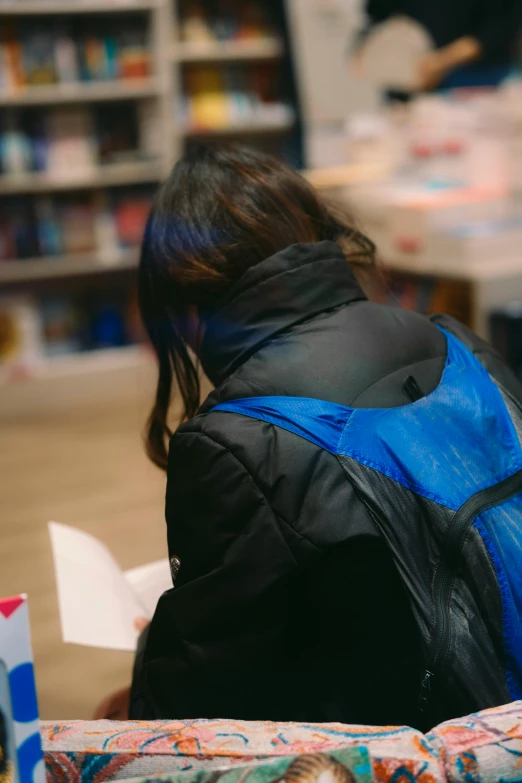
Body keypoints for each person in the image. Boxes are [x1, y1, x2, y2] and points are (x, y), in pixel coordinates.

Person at [122, 145, 522, 729]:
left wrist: (147, 654)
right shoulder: (457, 341)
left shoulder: (236, 439)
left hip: (411, 750)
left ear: (183, 298)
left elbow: (202, 700)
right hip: (498, 727)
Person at [363, 0, 522, 91]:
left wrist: (442, 61)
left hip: (480, 75)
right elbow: (378, 16)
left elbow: (504, 24)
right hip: (412, 80)